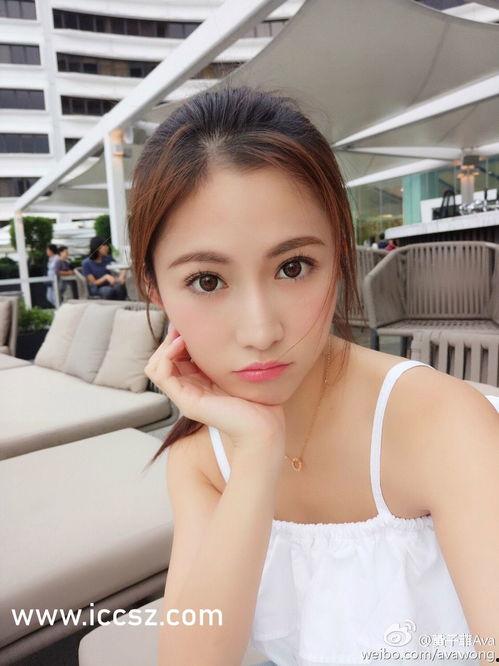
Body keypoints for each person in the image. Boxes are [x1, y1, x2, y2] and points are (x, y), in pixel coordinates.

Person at [127, 86, 499, 665]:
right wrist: (258, 452)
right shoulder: (201, 458)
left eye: (293, 267)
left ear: (339, 256)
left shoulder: (441, 422)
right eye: (207, 280)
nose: (260, 331)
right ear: (154, 287)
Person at [81, 236, 127, 300]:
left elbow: (123, 267)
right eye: (105, 245)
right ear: (98, 248)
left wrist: (121, 277)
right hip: (97, 288)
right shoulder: (86, 263)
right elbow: (93, 282)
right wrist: (106, 277)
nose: (107, 248)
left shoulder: (108, 258)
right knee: (108, 291)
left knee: (119, 287)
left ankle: (122, 304)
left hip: (111, 284)